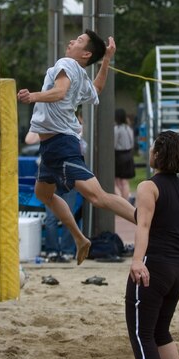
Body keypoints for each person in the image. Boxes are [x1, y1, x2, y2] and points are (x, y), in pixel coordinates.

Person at [17, 30, 136, 265]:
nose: (72, 41)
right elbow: (98, 89)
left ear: (86, 53)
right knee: (44, 195)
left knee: (97, 196)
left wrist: (33, 96)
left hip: (62, 144)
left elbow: (59, 92)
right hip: (51, 147)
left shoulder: (67, 64)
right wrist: (107, 60)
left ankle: (145, 221)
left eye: (79, 40)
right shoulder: (79, 73)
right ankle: (80, 239)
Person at [125, 130, 179, 359]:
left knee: (142, 335)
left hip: (153, 266)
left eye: (154, 148)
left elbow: (143, 226)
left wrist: (136, 260)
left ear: (159, 154)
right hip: (177, 268)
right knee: (161, 332)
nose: (150, 151)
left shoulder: (147, 186)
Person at [24, 131, 76, 261]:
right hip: (53, 173)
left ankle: (65, 250)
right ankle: (54, 250)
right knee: (53, 217)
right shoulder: (48, 127)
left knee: (66, 216)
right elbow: (29, 140)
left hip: (65, 173)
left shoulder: (68, 127)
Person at [114, 108, 135, 201]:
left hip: (118, 156)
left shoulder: (116, 129)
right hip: (128, 155)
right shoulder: (128, 129)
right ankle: (126, 201)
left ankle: (120, 202)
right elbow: (132, 143)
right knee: (125, 181)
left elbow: (113, 144)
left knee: (117, 181)